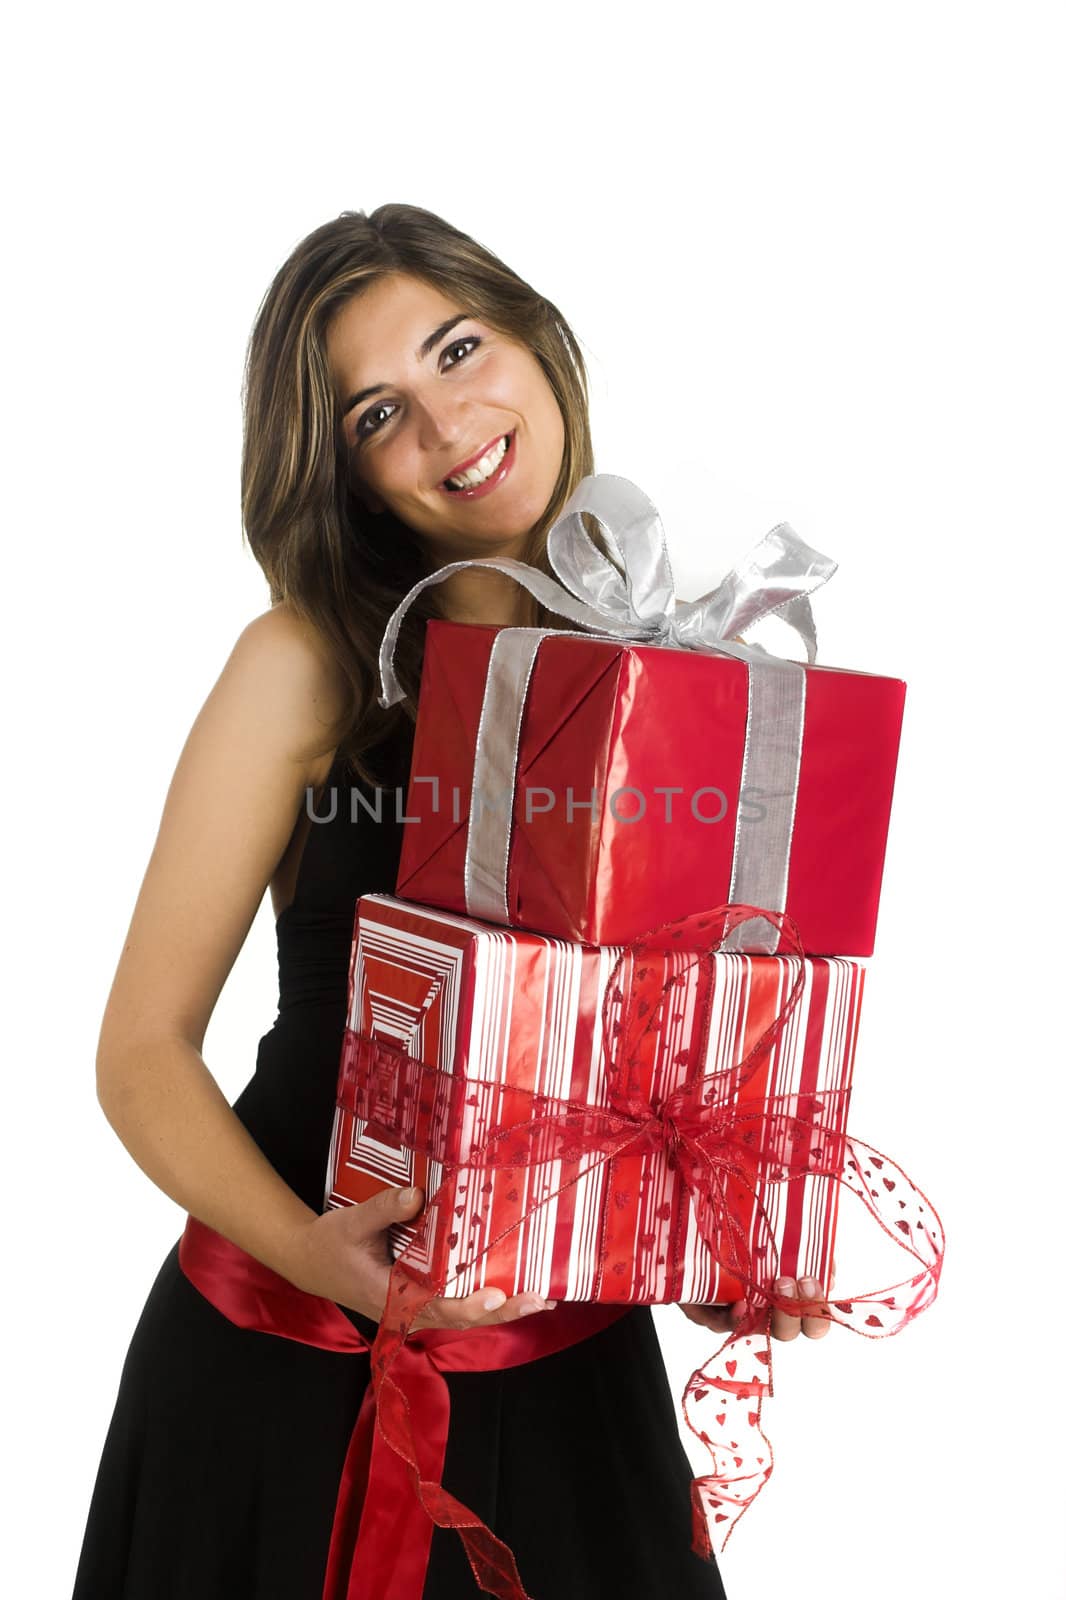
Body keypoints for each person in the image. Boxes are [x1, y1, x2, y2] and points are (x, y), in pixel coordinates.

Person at [72, 203, 832, 1600]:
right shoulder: (305, 663)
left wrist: (716, 1248)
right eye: (379, 413)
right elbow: (137, 1057)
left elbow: (664, 1063)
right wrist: (321, 1258)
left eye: (459, 348)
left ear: (537, 340)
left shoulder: (682, 680)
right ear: (351, 474)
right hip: (287, 1373)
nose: (447, 423)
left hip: (573, 1389)